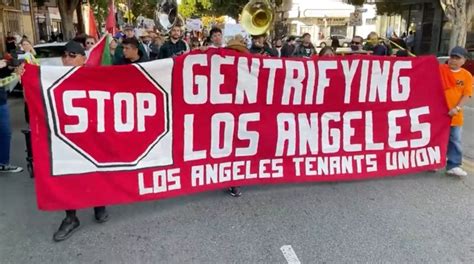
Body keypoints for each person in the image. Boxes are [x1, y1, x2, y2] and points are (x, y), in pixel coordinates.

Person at [52, 41, 109, 241]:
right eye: (64, 55)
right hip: (66, 137)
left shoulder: (95, 76)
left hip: (93, 134)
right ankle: (70, 217)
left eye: (72, 55)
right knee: (68, 174)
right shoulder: (52, 77)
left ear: (83, 59)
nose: (67, 59)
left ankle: (99, 204)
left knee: (95, 170)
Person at [440, 46, 472, 177]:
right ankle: (434, 162)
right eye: (452, 57)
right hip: (438, 113)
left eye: (457, 58)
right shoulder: (440, 70)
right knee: (436, 138)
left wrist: (457, 108)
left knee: (455, 139)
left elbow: (467, 95)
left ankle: (453, 165)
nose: (453, 60)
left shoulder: (466, 76)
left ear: (464, 60)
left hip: (455, 114)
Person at [0, 59, 22, 173]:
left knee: (5, 133)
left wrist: (12, 70)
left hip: (1, 101)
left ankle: (3, 163)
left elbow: (4, 75)